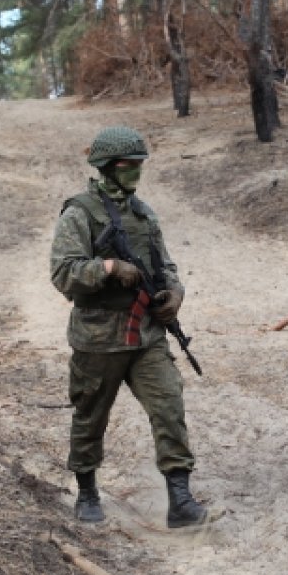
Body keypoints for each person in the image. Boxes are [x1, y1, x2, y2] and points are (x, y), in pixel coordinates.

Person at [50, 126, 207, 529]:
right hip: (99, 337)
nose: (135, 171)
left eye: (139, 164)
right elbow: (63, 272)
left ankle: (180, 498)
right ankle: (86, 491)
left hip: (147, 334)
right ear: (106, 167)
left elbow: (165, 264)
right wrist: (107, 268)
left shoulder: (143, 213)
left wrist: (174, 294)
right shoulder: (80, 213)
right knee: (90, 415)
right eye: (126, 165)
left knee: (169, 406)